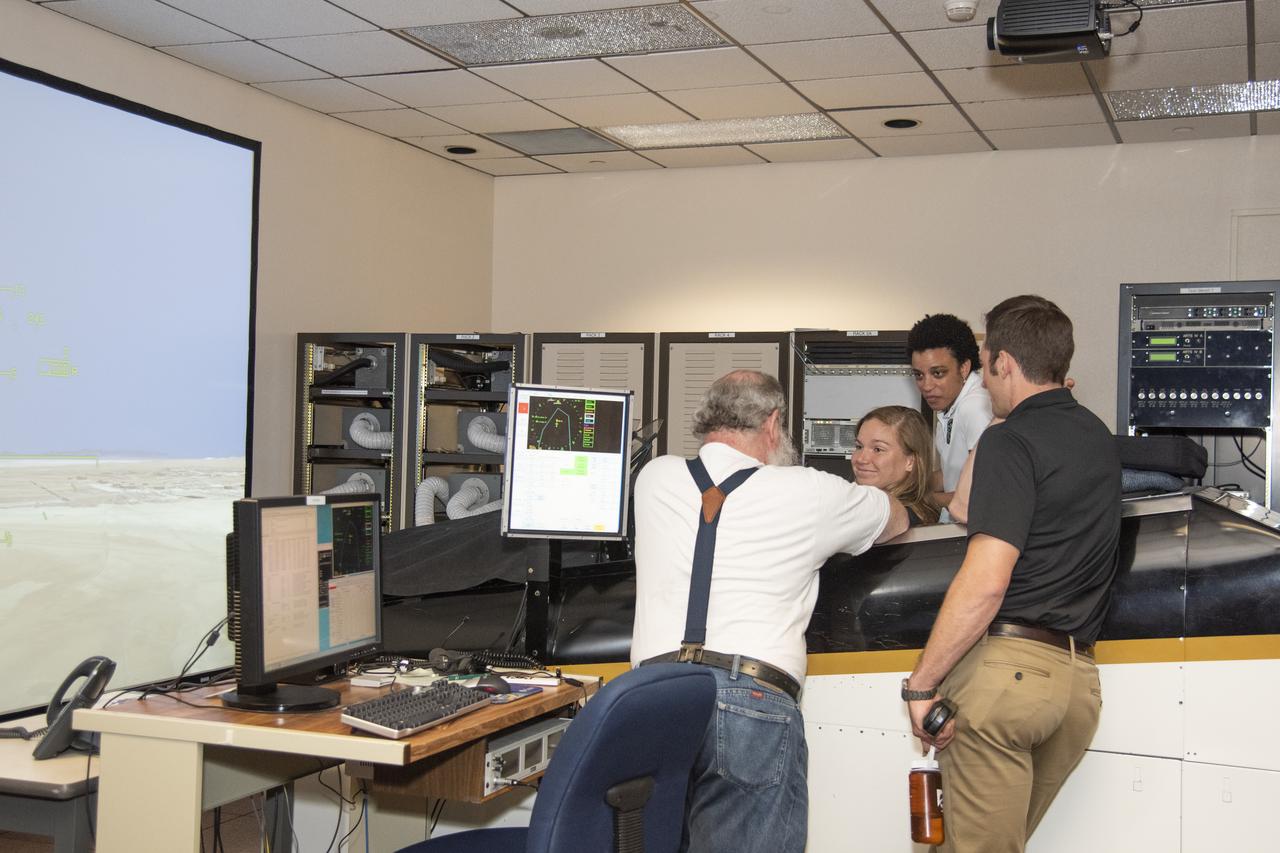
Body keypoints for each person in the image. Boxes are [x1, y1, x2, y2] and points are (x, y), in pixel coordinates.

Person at [631, 369, 908, 853]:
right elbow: (894, 517)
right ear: (774, 423)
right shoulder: (809, 491)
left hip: (653, 699)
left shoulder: (652, 478)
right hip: (748, 702)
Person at [900, 296, 1122, 853]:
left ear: (1002, 363)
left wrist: (923, 683)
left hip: (1008, 681)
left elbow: (987, 578)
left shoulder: (1010, 439)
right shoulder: (1096, 436)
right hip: (1075, 688)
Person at [907, 314, 993, 514]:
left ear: (964, 368)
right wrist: (903, 485)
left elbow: (983, 494)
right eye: (919, 375)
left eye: (938, 373)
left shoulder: (975, 407)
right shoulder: (950, 403)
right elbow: (953, 475)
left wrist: (919, 501)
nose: (927, 386)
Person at [851, 405, 941, 525]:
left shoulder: (893, 520)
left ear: (910, 462)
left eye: (877, 449)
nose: (861, 459)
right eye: (859, 447)